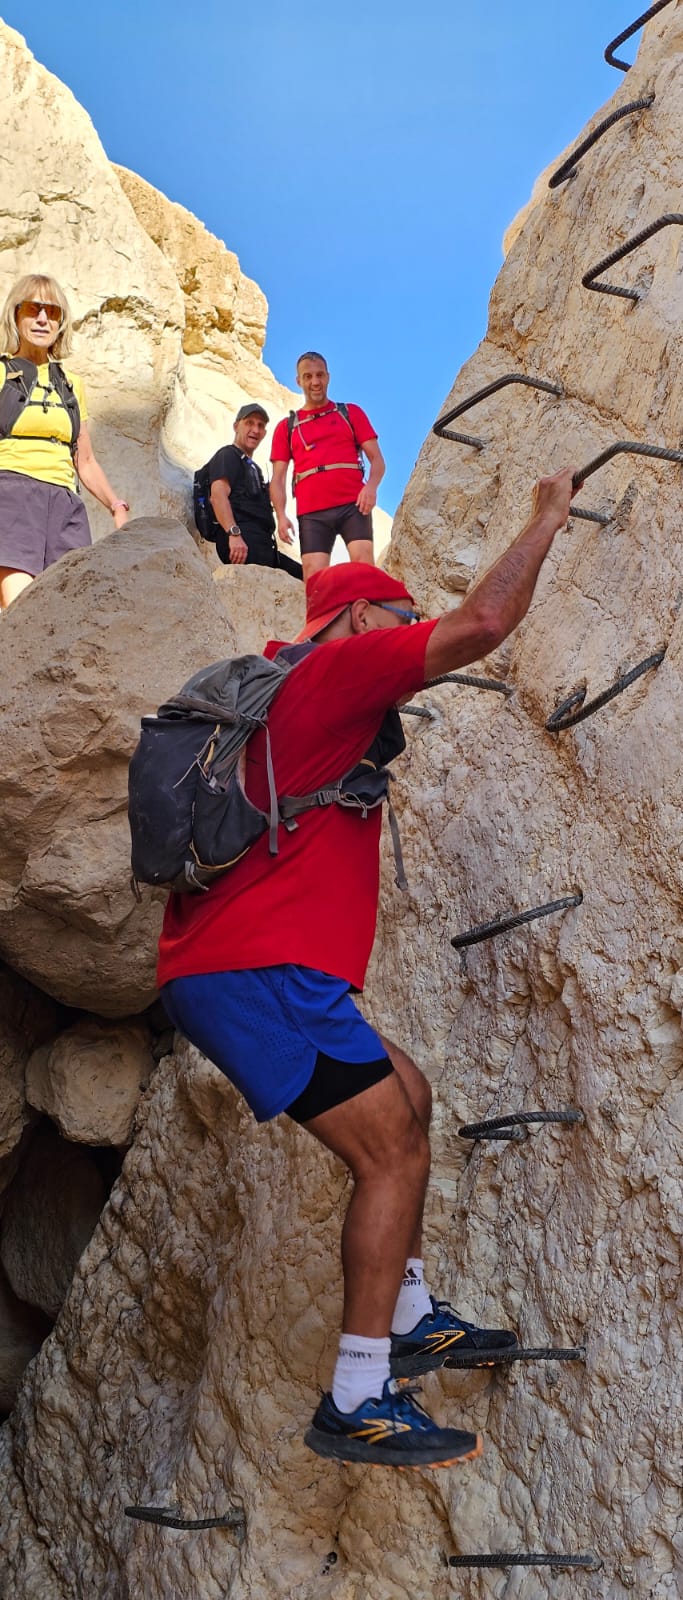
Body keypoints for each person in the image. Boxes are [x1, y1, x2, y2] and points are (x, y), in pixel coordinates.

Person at [157, 465, 578, 1469]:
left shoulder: (288, 690)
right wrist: (546, 517)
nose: (409, 631)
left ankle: (414, 1314)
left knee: (408, 1095)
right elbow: (481, 624)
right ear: (355, 618)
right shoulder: (337, 670)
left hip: (251, 971)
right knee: (389, 1153)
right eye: (399, 615)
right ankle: (357, 1393)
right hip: (259, 972)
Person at [0, 273, 129, 609]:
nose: (43, 319)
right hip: (11, 495)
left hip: (65, 505)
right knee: (22, 608)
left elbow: (85, 461)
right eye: (33, 308)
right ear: (16, 315)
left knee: (69, 610)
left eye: (53, 312)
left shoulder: (71, 385)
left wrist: (116, 506)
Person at [270, 351, 385, 580]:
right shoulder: (287, 427)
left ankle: (366, 605)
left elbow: (377, 460)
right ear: (299, 381)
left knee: (364, 566)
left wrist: (371, 487)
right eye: (308, 376)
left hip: (353, 504)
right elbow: (278, 479)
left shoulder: (350, 413)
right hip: (312, 511)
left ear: (328, 377)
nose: (315, 382)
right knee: (314, 577)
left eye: (320, 375)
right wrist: (281, 515)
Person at [208, 402, 302, 580]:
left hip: (263, 545)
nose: (255, 430)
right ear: (236, 426)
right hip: (242, 544)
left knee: (308, 577)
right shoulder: (228, 455)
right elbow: (218, 496)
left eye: (260, 425)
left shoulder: (253, 468)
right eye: (249, 423)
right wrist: (234, 534)